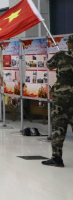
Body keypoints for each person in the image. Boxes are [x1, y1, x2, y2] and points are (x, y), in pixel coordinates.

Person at [43, 38, 73, 167]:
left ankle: (57, 158)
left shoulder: (61, 55)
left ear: (70, 43)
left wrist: (60, 55)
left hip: (62, 96)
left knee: (58, 126)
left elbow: (49, 65)